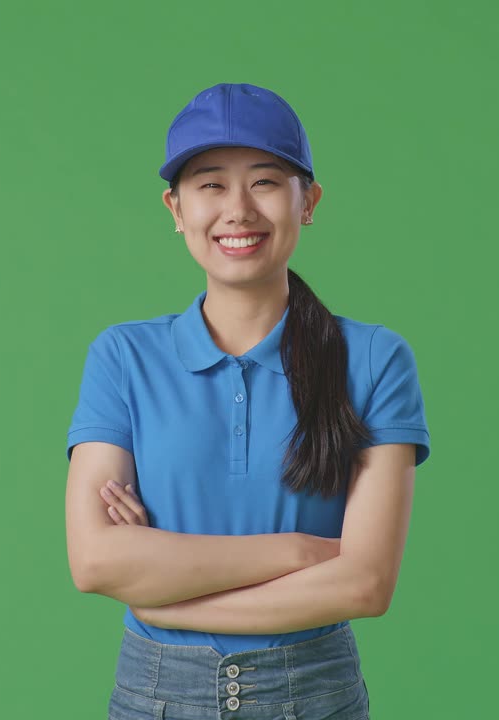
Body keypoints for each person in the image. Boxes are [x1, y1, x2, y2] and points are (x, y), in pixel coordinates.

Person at [64, 82, 431, 720]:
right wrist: (297, 552)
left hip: (314, 696)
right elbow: (96, 560)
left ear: (307, 201)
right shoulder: (123, 356)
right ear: (175, 208)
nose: (237, 209)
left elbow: (366, 583)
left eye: (264, 182)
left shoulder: (374, 359)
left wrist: (164, 593)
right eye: (210, 184)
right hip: (153, 698)